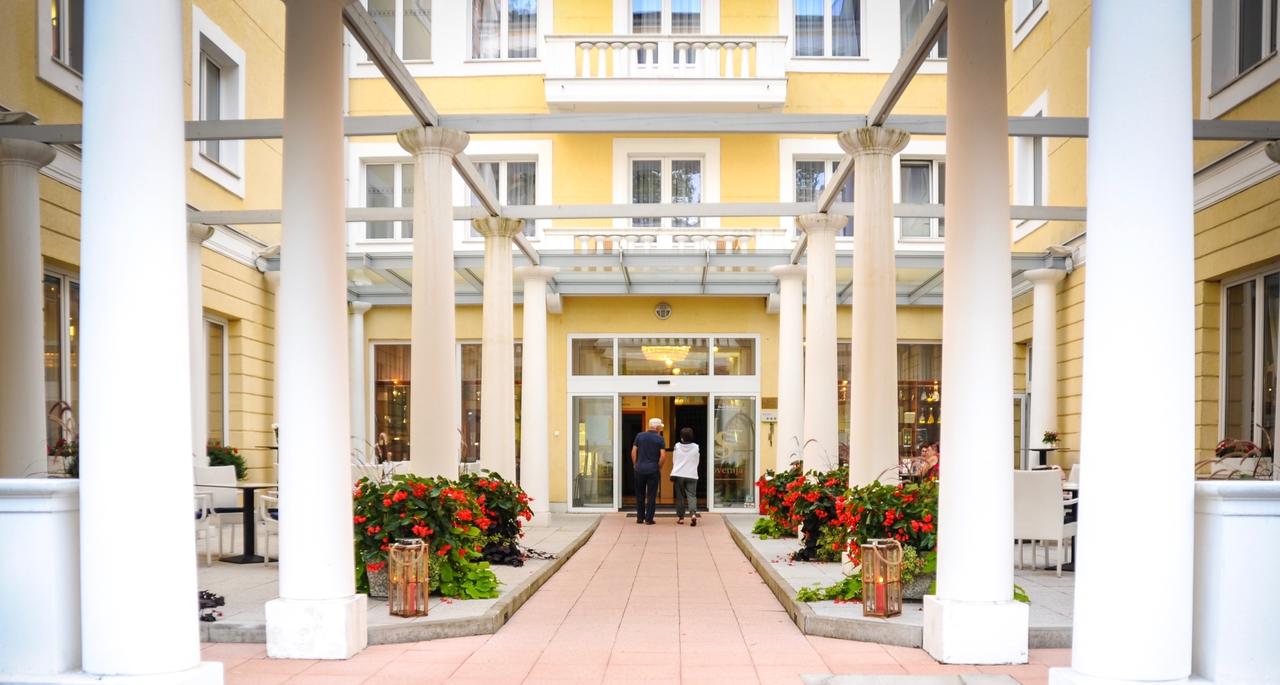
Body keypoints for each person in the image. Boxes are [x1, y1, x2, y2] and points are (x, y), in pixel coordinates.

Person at [631, 417, 667, 525]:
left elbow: (633, 451)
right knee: (651, 495)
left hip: (639, 469)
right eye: (660, 427)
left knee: (639, 494)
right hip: (653, 470)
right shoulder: (660, 438)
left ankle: (639, 518)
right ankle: (649, 519)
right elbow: (663, 456)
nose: (660, 429)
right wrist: (659, 466)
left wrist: (635, 464)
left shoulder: (639, 436)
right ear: (657, 427)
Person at [671, 427, 700, 526]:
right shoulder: (696, 447)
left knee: (680, 496)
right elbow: (697, 460)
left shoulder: (677, 446)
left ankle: (681, 518)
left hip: (679, 474)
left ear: (682, 437)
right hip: (692, 474)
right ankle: (693, 514)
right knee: (692, 495)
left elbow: (674, 460)